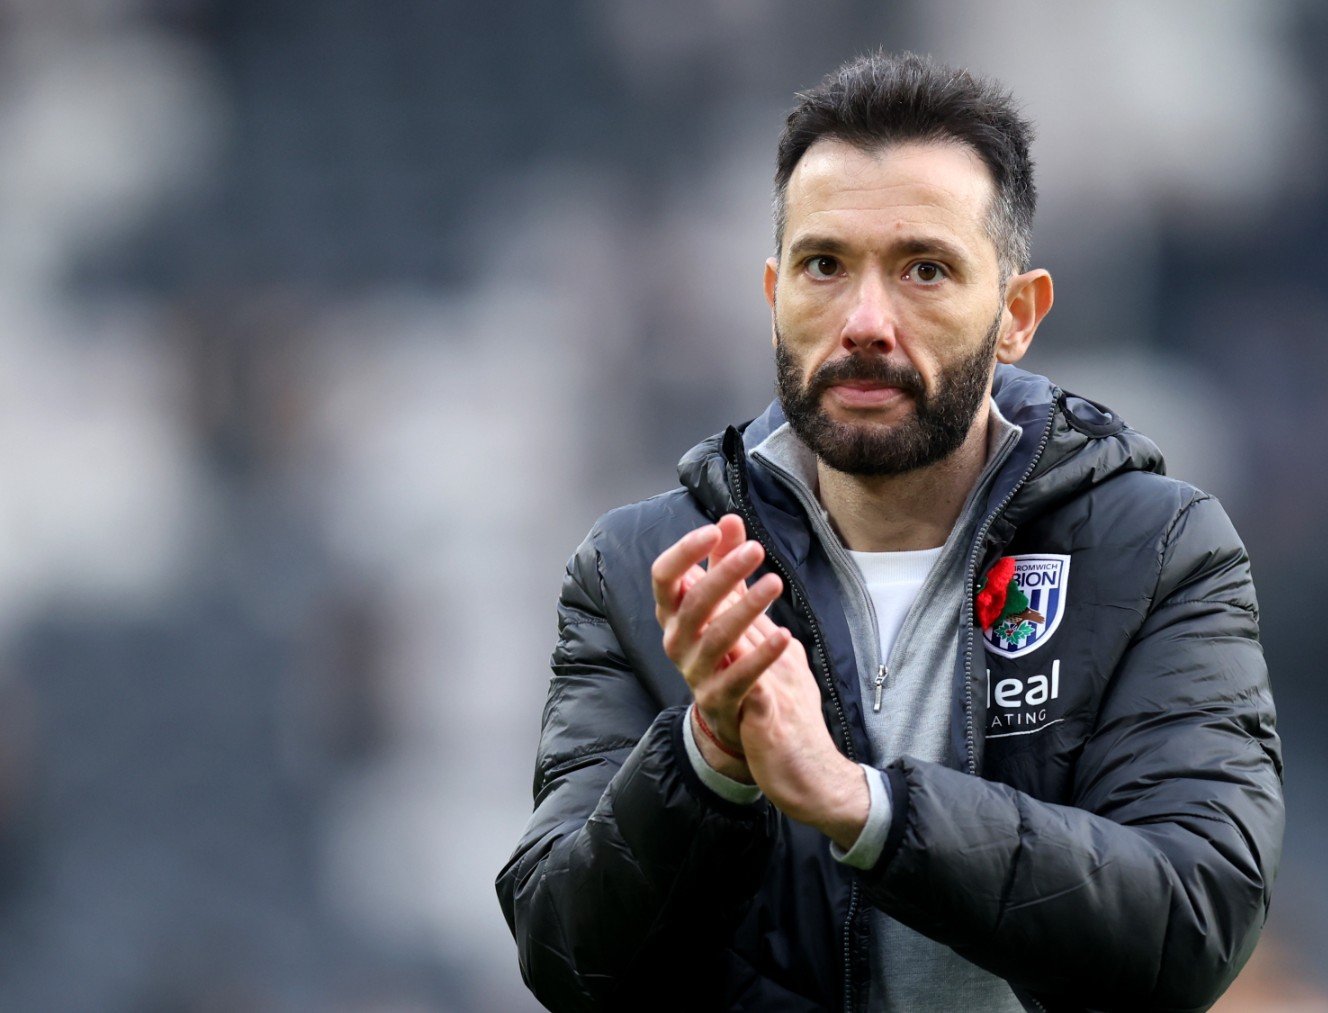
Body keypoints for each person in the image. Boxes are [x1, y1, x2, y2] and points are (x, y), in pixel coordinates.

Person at [496, 51, 1284, 1012]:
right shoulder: (638, 569)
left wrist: (865, 806)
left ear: (1017, 314)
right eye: (825, 265)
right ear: (774, 293)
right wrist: (706, 760)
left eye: (924, 269)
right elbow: (569, 960)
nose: (866, 320)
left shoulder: (1156, 551)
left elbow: (1191, 920)